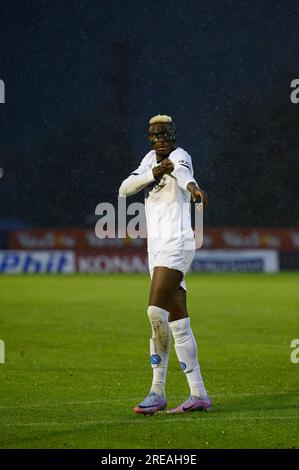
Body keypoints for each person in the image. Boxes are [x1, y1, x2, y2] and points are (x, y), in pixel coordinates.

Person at [119, 115, 212, 414]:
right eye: (156, 134)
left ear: (174, 135)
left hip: (177, 244)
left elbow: (185, 176)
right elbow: (124, 189)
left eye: (166, 133)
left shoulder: (180, 156)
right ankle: (198, 393)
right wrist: (154, 172)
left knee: (154, 312)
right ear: (149, 137)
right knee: (178, 320)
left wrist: (194, 188)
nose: (161, 138)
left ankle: (157, 391)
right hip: (156, 248)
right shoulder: (150, 160)